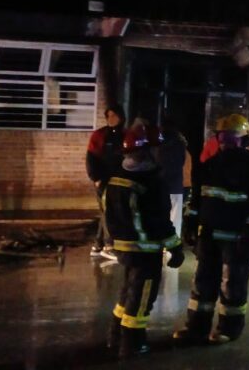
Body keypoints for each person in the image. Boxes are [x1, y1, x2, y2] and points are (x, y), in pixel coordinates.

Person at [174, 113, 249, 345]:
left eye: (231, 137)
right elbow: (197, 199)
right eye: (223, 136)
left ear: (242, 139)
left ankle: (229, 329)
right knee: (202, 284)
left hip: (237, 238)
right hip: (208, 236)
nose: (226, 141)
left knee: (233, 286)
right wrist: (190, 224)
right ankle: (196, 327)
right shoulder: (209, 165)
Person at [104, 124, 185, 358]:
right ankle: (132, 343)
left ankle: (115, 336)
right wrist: (175, 247)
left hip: (124, 247)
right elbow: (159, 221)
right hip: (145, 250)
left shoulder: (117, 177)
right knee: (141, 298)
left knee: (128, 292)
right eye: (157, 148)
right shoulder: (151, 182)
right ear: (147, 151)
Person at [87, 104, 126, 258]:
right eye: (108, 116)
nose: (111, 119)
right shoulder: (99, 135)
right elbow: (91, 158)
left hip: (119, 181)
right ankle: (109, 245)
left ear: (121, 117)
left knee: (107, 211)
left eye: (114, 116)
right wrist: (95, 178)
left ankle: (98, 245)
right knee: (108, 211)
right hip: (103, 180)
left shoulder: (125, 134)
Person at [157, 117, 190, 236]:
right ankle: (174, 242)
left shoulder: (159, 143)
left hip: (161, 186)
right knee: (175, 220)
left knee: (161, 218)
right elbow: (181, 163)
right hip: (176, 186)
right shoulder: (180, 144)